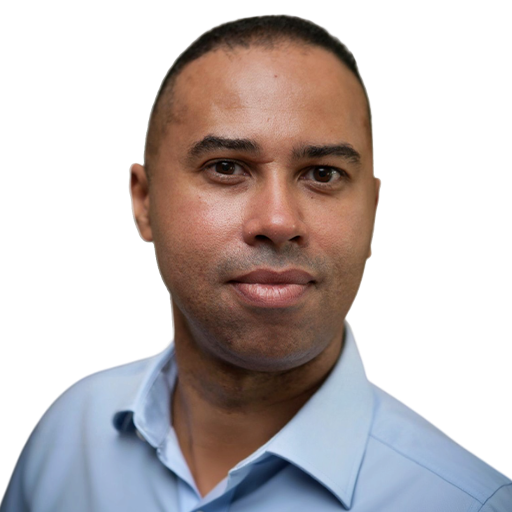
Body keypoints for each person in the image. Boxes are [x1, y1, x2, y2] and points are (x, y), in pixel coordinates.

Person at [1, 13, 511, 512]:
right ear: (144, 201)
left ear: (372, 214)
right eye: (226, 167)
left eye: (324, 174)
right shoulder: (66, 436)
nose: (279, 221)